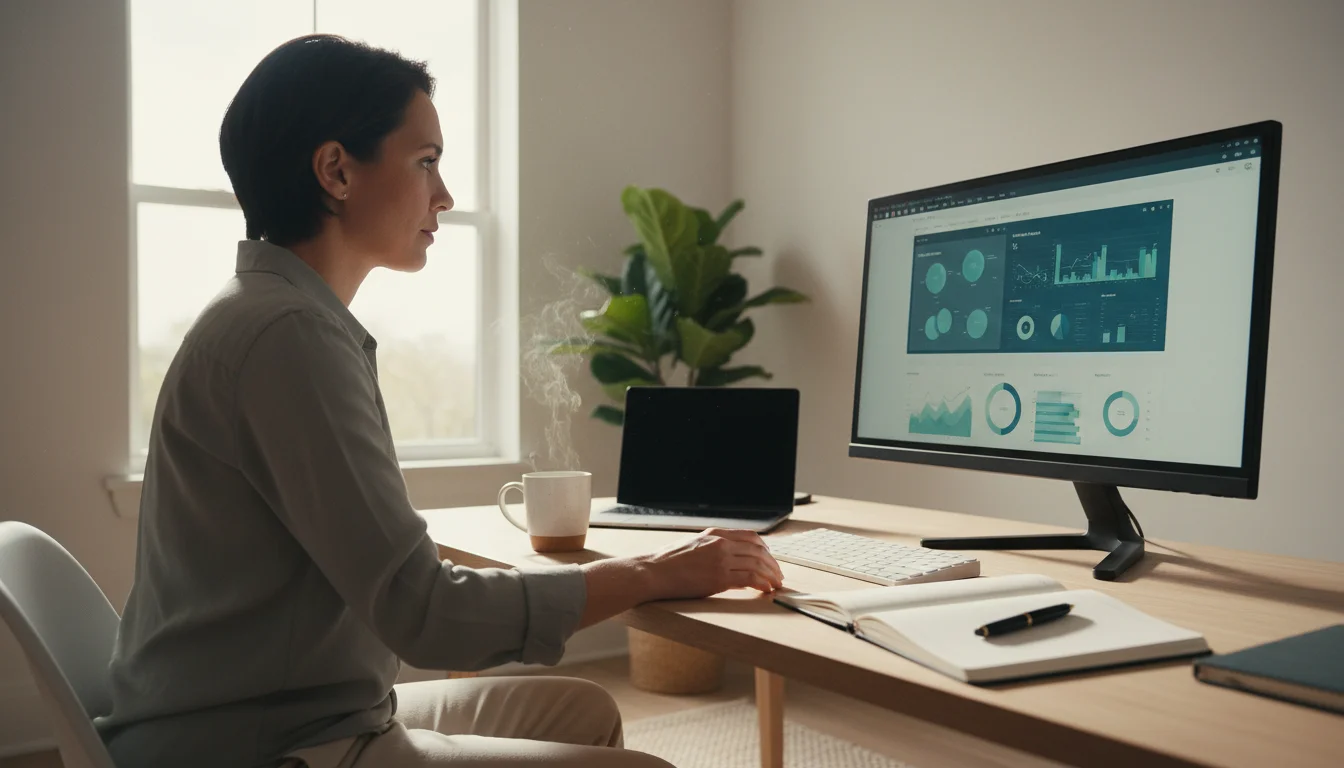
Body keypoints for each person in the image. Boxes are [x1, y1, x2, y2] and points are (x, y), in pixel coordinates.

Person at [94, 34, 785, 768]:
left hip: (295, 706)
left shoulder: (274, 316)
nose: (445, 195)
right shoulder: (289, 336)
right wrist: (653, 573)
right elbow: (425, 613)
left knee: (577, 708)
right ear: (336, 171)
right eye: (425, 162)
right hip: (262, 743)